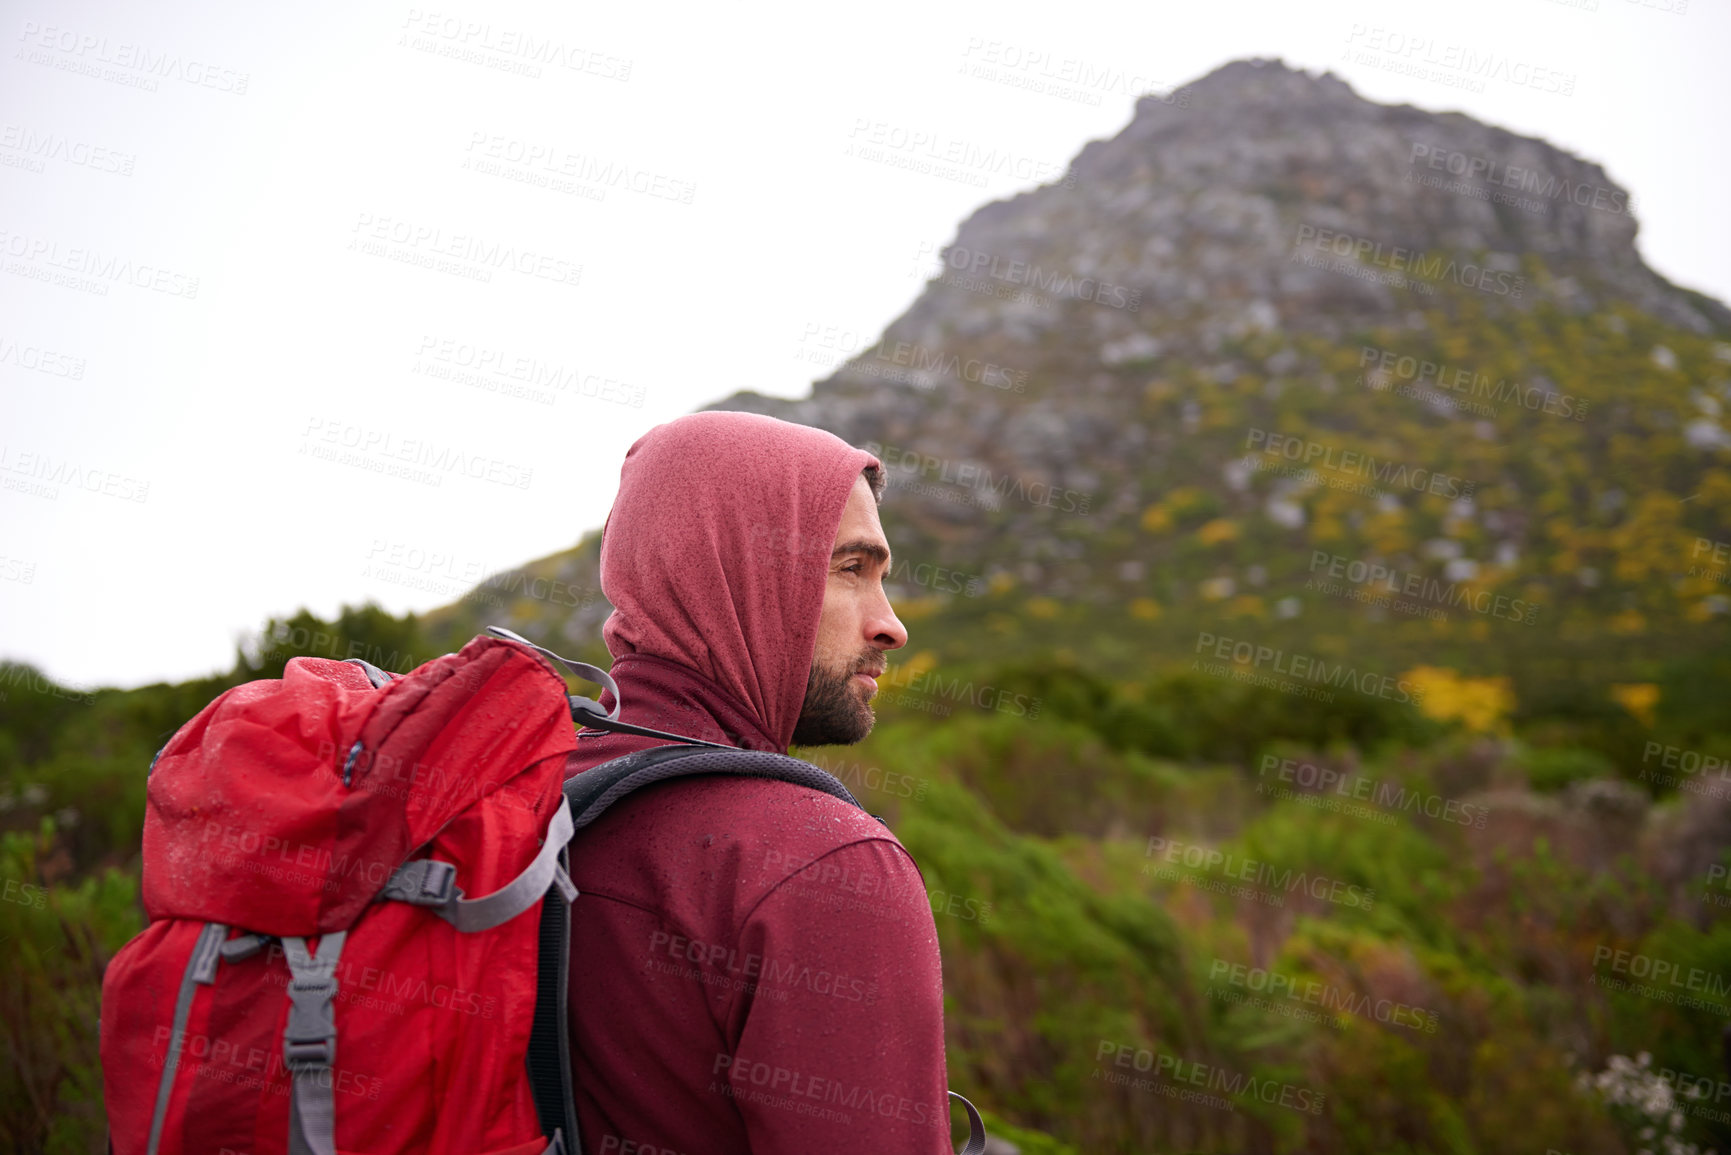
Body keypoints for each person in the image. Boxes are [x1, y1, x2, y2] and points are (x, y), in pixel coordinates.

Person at [564, 410, 956, 1154]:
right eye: (851, 569)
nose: (890, 625)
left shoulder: (517, 790)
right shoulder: (823, 863)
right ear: (732, 570)